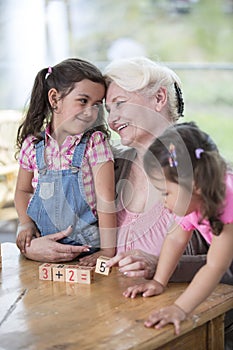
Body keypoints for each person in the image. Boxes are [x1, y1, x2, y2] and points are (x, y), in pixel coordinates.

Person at [122, 122, 233, 343]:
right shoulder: (191, 198)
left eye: (165, 193)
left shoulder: (226, 206)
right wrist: (159, 282)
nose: (163, 202)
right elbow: (175, 238)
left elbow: (215, 267)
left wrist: (180, 309)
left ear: (196, 185)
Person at [102, 56, 210, 279]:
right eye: (109, 110)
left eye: (120, 103)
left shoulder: (203, 168)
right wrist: (33, 244)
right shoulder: (109, 165)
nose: (112, 120)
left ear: (159, 98)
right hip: (114, 305)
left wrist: (163, 266)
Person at [14, 58, 116, 265]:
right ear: (54, 99)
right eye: (83, 101)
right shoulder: (33, 145)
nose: (90, 112)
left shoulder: (95, 143)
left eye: (97, 104)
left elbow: (106, 199)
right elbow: (23, 191)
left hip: (87, 252)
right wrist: (26, 224)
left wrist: (107, 250)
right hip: (44, 250)